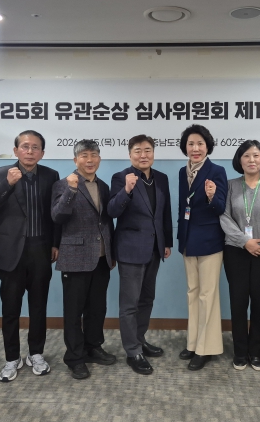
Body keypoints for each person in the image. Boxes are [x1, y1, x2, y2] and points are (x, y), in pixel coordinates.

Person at [0, 130, 61, 382]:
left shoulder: (50, 175)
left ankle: (36, 353)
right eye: (25, 146)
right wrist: (7, 184)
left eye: (35, 147)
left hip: (40, 250)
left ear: (42, 153)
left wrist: (55, 243)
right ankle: (11, 357)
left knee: (38, 307)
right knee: (10, 309)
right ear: (15, 150)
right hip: (10, 252)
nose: (30, 151)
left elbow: (55, 214)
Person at [107, 135, 173, 375]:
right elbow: (112, 211)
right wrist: (126, 190)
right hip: (130, 249)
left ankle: (139, 339)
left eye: (147, 150)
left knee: (147, 299)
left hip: (155, 247)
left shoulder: (161, 178)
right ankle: (132, 351)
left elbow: (164, 212)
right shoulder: (121, 177)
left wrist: (167, 241)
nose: (143, 155)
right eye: (138, 151)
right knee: (129, 304)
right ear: (130, 154)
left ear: (153, 153)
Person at [51, 139, 116, 380]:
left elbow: (106, 221)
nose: (90, 160)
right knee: (74, 311)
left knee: (97, 308)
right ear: (75, 159)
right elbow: (57, 216)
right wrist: (71, 190)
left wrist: (112, 252)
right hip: (75, 257)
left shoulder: (103, 186)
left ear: (99, 158)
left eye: (94, 155)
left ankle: (93, 347)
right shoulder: (63, 184)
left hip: (101, 256)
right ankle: (74, 358)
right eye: (84, 155)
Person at [220, 140, 260, 371]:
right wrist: (244, 241)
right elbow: (224, 217)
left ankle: (256, 352)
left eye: (256, 155)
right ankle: (240, 351)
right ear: (239, 160)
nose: (251, 160)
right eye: (246, 155)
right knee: (238, 302)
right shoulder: (230, 185)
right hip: (236, 250)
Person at [175, 125, 228, 371]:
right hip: (188, 240)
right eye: (191, 144)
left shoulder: (217, 171)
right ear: (185, 147)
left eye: (200, 144)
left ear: (208, 146)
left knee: (208, 295)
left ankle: (206, 348)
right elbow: (182, 207)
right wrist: (179, 238)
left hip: (209, 241)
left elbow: (221, 208)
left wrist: (212, 196)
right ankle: (193, 342)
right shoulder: (182, 172)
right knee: (192, 292)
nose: (195, 148)